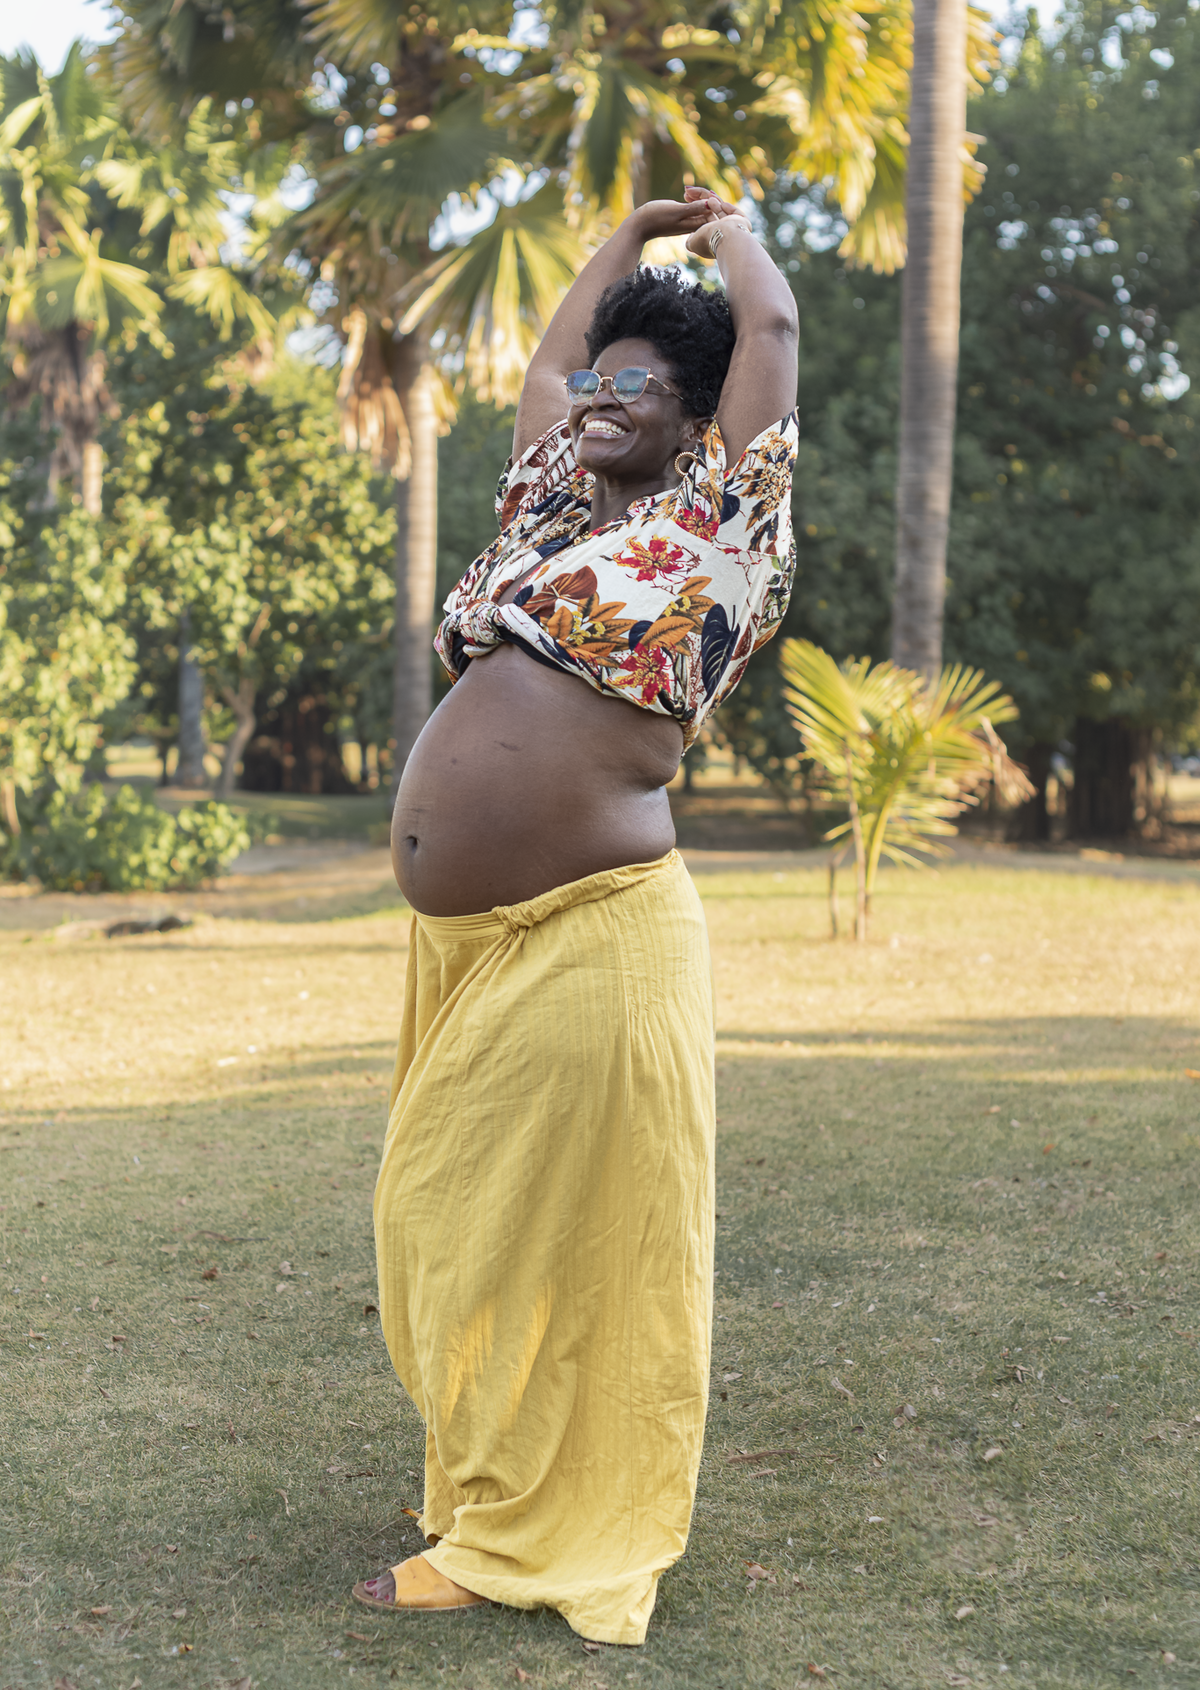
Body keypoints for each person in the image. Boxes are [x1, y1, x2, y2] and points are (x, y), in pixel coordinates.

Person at [352, 187, 799, 1645]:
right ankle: (493, 1493)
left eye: (643, 388)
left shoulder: (720, 522)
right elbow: (550, 367)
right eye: (603, 384)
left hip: (596, 925)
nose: (603, 401)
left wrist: (719, 231)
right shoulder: (554, 501)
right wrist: (624, 241)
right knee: (448, 1224)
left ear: (696, 419)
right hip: (470, 941)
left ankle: (520, 1534)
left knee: (506, 1234)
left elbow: (775, 326)